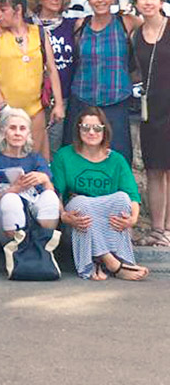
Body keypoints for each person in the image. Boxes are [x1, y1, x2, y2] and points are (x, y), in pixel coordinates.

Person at [53, 107, 148, 280]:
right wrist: (63, 215)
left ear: (105, 131)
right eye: (85, 128)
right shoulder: (64, 156)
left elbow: (132, 195)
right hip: (76, 222)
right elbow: (56, 192)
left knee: (122, 199)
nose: (91, 132)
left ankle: (118, 258)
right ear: (78, 129)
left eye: (97, 128)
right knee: (81, 202)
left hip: (107, 222)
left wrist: (133, 219)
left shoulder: (116, 159)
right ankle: (112, 263)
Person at [0, 0, 64, 158]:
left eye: (2, 10)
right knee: (1, 162)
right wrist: (3, 106)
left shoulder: (39, 32)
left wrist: (59, 104)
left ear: (18, 10)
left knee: (34, 160)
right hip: (0, 110)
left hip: (34, 109)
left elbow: (51, 68)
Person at [66, 0, 141, 160]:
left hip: (116, 100)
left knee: (117, 157)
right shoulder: (81, 25)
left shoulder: (127, 22)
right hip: (82, 99)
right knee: (79, 154)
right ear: (89, 0)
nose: (100, 0)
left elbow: (152, 33)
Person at [131, 0, 170, 247]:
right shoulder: (136, 33)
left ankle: (169, 229)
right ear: (135, 2)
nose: (148, 2)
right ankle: (158, 229)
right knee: (155, 169)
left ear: (161, 0)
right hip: (151, 111)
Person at [0, 107, 60, 244]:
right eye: (12, 128)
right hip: (1, 222)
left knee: (50, 196)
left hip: (33, 217)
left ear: (28, 134)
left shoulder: (36, 159)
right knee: (11, 199)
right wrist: (13, 189)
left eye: (22, 129)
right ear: (3, 132)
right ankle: (17, 249)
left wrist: (45, 180)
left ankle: (45, 246)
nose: (17, 133)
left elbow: (51, 195)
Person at [29, 0, 75, 149]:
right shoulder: (27, 25)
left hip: (60, 97)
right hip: (32, 97)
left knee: (54, 148)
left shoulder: (72, 25)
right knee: (29, 146)